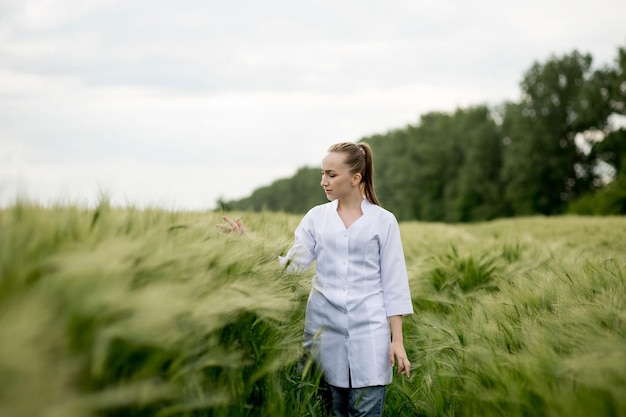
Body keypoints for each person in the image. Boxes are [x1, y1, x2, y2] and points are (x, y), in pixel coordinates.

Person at [218, 142, 413, 417]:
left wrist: (398, 340)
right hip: (325, 335)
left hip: (370, 336)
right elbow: (290, 267)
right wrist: (248, 241)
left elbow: (395, 284)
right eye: (322, 174)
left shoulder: (384, 221)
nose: (324, 181)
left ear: (356, 178)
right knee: (331, 412)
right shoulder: (316, 218)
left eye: (331, 175)